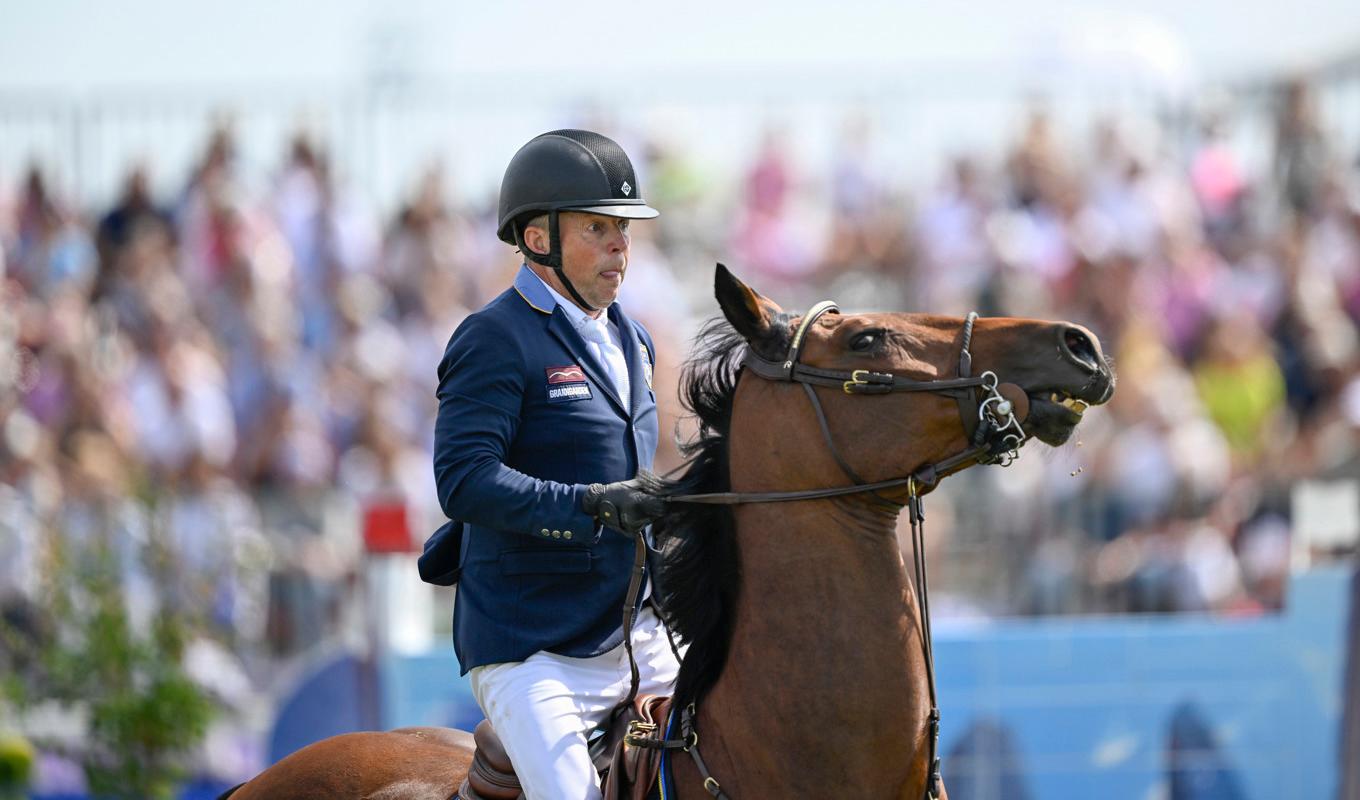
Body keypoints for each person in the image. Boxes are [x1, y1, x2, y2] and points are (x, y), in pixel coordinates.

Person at [431, 129, 678, 799]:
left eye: (622, 228)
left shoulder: (634, 340)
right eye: (598, 227)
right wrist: (590, 504)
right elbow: (463, 479)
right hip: (532, 646)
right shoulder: (494, 336)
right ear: (538, 238)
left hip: (637, 633)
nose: (621, 245)